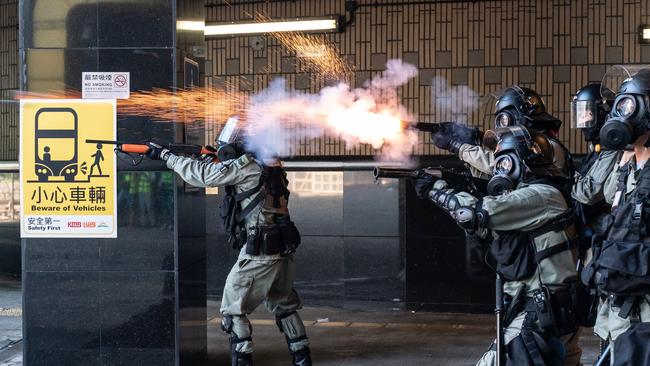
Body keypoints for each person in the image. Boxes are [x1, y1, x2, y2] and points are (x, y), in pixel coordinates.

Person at [144, 117, 312, 366]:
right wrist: (217, 159)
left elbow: (202, 176)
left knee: (233, 312)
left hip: (260, 252)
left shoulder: (246, 165)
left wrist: (167, 156)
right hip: (282, 248)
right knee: (284, 305)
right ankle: (302, 360)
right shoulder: (271, 163)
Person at [415, 125, 581, 365]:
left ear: (522, 162)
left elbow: (473, 213)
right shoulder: (542, 193)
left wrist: (435, 188)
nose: (499, 169)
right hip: (553, 309)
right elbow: (487, 230)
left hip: (540, 310)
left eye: (504, 162)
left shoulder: (539, 195)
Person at [582, 68, 650, 365]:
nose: (623, 116)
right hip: (619, 301)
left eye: (630, 107)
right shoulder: (629, 162)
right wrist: (626, 159)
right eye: (621, 106)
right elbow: (609, 197)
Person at [432, 86, 572, 194]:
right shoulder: (541, 142)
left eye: (503, 118)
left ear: (517, 116)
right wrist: (477, 139)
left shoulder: (543, 145)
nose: (502, 124)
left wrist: (456, 146)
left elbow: (498, 165)